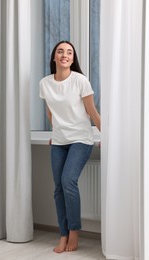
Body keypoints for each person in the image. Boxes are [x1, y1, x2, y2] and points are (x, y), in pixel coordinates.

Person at [39, 40, 101, 253]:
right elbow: (51, 112)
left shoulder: (80, 81)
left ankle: (74, 232)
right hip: (59, 141)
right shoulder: (45, 83)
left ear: (73, 59)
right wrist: (54, 133)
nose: (64, 55)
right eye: (60, 51)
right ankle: (63, 234)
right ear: (54, 57)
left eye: (69, 52)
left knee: (68, 181)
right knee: (58, 189)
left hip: (81, 139)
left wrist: (107, 136)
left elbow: (92, 111)